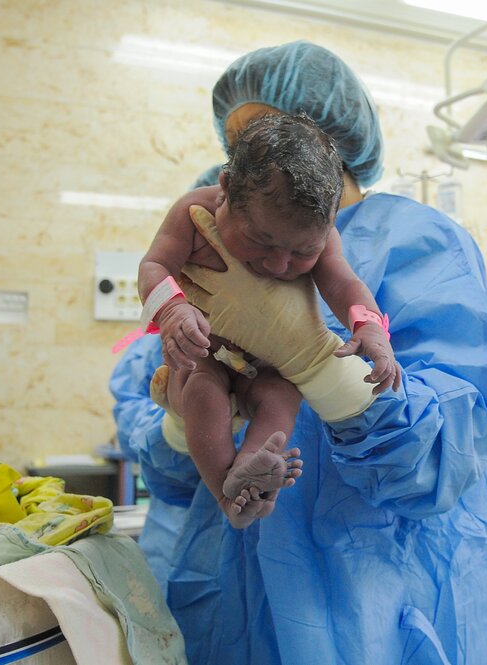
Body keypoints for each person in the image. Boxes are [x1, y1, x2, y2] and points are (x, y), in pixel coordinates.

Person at [110, 40, 487, 665]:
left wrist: (316, 363)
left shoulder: (417, 244)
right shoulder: (215, 239)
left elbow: (442, 456)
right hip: (225, 596)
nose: (278, 260)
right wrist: (188, 406)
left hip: (363, 605)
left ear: (328, 144)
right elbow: (165, 474)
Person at [135, 113, 398, 529]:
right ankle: (229, 493)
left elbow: (345, 283)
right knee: (204, 394)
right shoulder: (192, 214)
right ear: (225, 192)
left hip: (271, 363)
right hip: (209, 353)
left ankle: (255, 472)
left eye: (302, 253)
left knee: (280, 397)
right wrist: (172, 309)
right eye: (260, 241)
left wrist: (369, 328)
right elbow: (153, 266)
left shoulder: (323, 235)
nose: (279, 264)